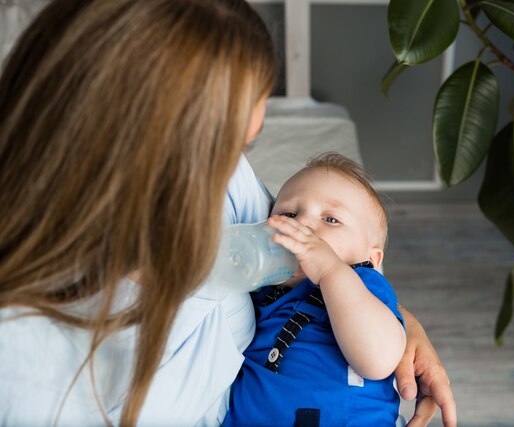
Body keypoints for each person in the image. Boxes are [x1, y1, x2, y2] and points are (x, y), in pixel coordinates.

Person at [0, 0, 456, 426]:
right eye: (220, 142)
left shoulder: (224, 184)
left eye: (244, 144)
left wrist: (401, 326)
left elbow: (313, 260)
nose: (230, 165)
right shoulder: (25, 354)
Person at [223, 153, 406, 426]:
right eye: (288, 214)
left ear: (372, 259)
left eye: (331, 219)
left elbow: (378, 360)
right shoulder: (260, 287)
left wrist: (330, 270)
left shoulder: (363, 284)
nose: (304, 224)